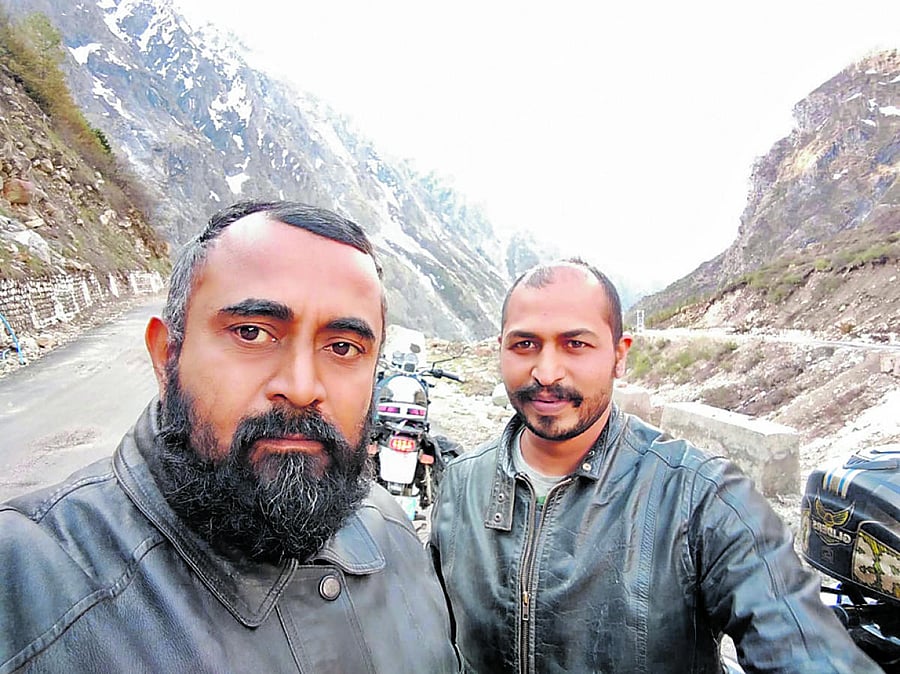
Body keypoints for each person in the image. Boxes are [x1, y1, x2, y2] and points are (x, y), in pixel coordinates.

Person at [1, 200, 458, 673]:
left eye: (343, 347)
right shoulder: (25, 584)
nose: (302, 388)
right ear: (167, 357)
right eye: (252, 333)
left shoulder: (393, 533)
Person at [429, 258, 881, 673]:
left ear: (619, 355)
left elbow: (800, 644)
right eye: (525, 344)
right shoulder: (462, 483)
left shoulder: (702, 497)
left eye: (575, 344)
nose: (547, 372)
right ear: (501, 350)